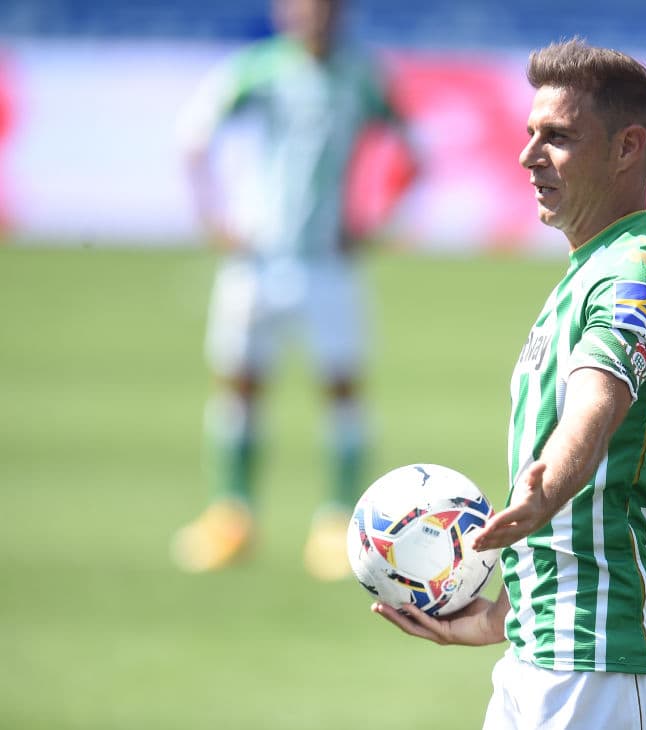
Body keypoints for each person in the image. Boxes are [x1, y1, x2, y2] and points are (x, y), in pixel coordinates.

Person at [374, 39, 646, 729]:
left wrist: (545, 489)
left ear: (627, 148)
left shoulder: (637, 274)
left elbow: (599, 399)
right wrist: (504, 614)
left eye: (557, 137)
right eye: (530, 134)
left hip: (602, 663)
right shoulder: (588, 272)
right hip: (544, 651)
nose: (529, 156)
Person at [171, 0, 412, 581]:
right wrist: (213, 218)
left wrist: (374, 223)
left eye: (328, 7)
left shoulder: (363, 75)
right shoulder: (257, 69)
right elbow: (194, 138)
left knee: (342, 390)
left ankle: (337, 523)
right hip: (255, 259)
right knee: (240, 383)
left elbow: (413, 152)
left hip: (328, 262)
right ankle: (232, 517)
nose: (317, 16)